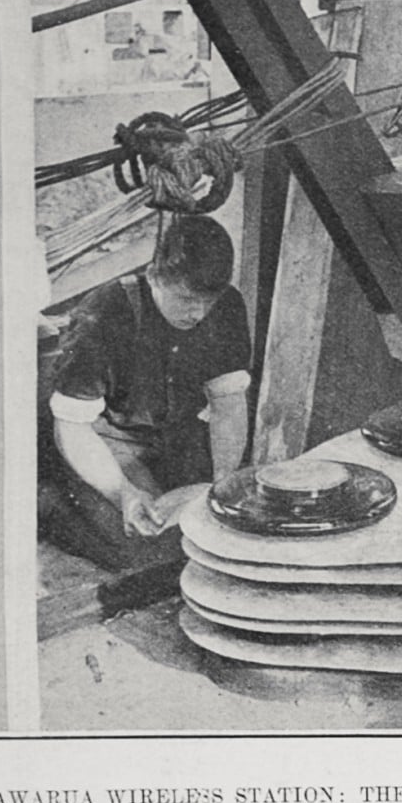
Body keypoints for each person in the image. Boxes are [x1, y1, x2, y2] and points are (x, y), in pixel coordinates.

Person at [43, 215, 252, 571]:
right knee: (144, 548)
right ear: (156, 277)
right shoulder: (103, 315)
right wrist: (122, 491)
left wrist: (220, 482)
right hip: (106, 441)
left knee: (228, 523)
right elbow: (72, 428)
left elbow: (228, 404)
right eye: (186, 298)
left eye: (209, 300)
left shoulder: (227, 306)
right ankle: (51, 503)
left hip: (176, 436)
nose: (198, 313)